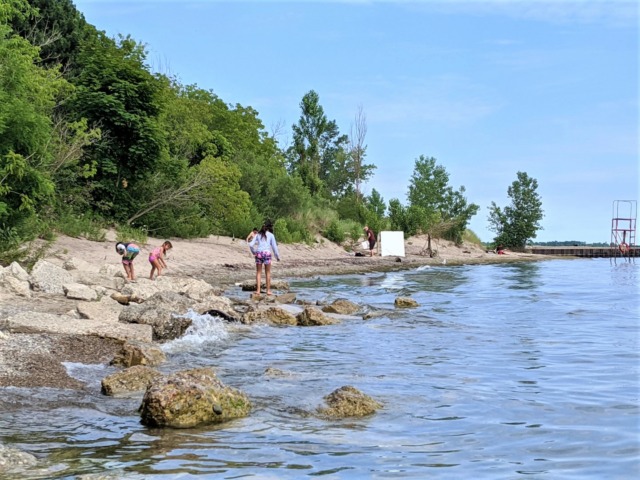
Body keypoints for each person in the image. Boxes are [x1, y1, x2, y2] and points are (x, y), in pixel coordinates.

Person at [250, 223, 280, 295]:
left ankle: (258, 291)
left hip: (259, 254)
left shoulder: (257, 235)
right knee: (268, 272)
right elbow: (274, 247)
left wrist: (254, 252)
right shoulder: (271, 235)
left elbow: (251, 245)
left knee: (258, 272)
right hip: (266, 254)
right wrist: (277, 257)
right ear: (269, 228)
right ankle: (268, 291)